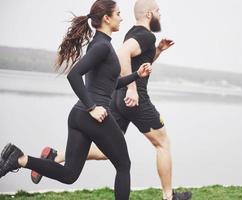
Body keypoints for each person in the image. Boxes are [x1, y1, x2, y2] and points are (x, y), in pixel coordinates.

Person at [31, 0, 192, 199]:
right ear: (149, 14)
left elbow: (129, 64)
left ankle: (56, 157)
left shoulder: (131, 34)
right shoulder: (145, 36)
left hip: (114, 98)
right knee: (162, 144)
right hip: (134, 99)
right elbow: (122, 54)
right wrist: (131, 90)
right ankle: (169, 197)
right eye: (158, 11)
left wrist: (156, 52)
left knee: (108, 151)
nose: (160, 14)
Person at [0, 1, 152, 200]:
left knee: (69, 174)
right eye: (118, 13)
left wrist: (136, 75)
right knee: (124, 165)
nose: (121, 18)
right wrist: (92, 108)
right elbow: (74, 75)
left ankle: (19, 158)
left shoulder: (100, 45)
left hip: (79, 116)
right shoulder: (102, 47)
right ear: (107, 18)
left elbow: (110, 84)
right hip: (93, 116)